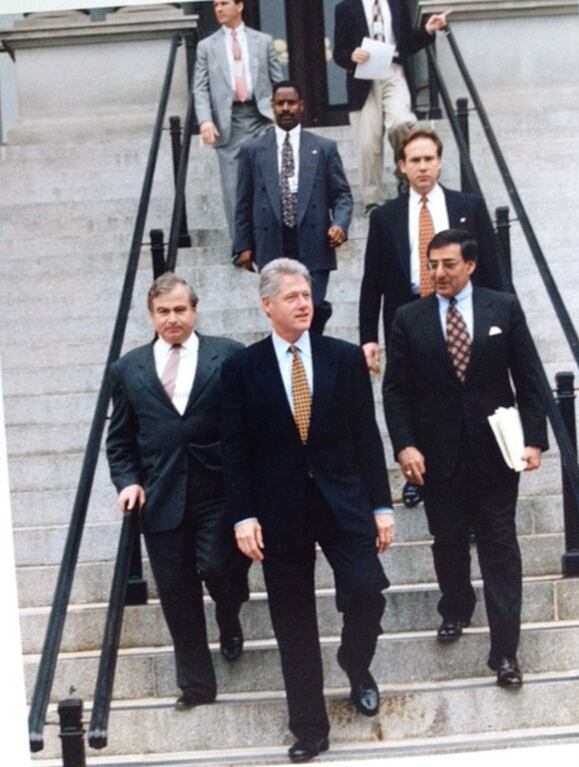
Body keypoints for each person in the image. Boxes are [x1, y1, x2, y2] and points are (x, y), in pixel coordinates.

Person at [221, 258, 394, 763]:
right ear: (267, 304)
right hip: (278, 512)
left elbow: (367, 438)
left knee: (367, 591)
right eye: (292, 297)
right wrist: (243, 515)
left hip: (344, 503)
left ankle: (355, 662)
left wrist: (382, 504)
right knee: (292, 621)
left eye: (307, 295)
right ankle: (310, 728)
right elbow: (235, 450)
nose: (304, 303)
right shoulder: (241, 368)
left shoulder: (342, 358)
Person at [382, 229, 548, 688]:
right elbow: (395, 391)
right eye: (431, 265)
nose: (438, 273)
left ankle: (505, 653)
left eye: (448, 265)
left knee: (500, 547)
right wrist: (405, 445)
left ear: (470, 265)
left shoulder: (503, 307)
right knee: (448, 540)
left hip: (495, 451)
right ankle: (455, 605)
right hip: (438, 454)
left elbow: (529, 376)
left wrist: (534, 439)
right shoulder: (408, 318)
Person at [106, 273, 250, 711]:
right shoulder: (128, 368)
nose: (173, 319)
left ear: (195, 310)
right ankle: (196, 686)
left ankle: (229, 613)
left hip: (218, 490)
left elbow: (248, 425)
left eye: (180, 310)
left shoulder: (227, 355)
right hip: (161, 496)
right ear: (151, 315)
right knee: (175, 592)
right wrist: (127, 480)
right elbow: (120, 440)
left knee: (219, 566)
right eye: (164, 312)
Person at [360, 126, 505, 508]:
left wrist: (502, 319)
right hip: (408, 316)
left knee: (464, 393)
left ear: (440, 163)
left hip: (463, 311)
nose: (423, 167)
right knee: (414, 396)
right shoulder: (386, 217)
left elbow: (491, 266)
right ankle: (418, 475)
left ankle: (475, 474)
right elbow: (371, 281)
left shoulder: (468, 207)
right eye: (414, 161)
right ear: (401, 167)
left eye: (429, 159)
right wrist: (368, 337)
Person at [234, 80, 353, 334]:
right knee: (283, 315)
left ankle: (312, 358)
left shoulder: (323, 148)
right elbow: (243, 200)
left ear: (301, 106)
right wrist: (243, 244)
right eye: (280, 103)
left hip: (314, 244)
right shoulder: (253, 150)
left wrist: (339, 224)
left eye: (291, 103)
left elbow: (342, 195)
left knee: (310, 311)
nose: (286, 108)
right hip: (272, 245)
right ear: (272, 107)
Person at [333, 0, 450, 215]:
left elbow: (406, 43)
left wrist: (427, 30)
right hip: (363, 77)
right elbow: (338, 52)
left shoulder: (397, 4)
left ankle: (404, 175)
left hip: (393, 72)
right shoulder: (346, 7)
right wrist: (351, 56)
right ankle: (373, 202)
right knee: (368, 144)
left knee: (402, 123)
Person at [193, 0, 283, 250]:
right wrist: (205, 120)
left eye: (224, 3)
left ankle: (272, 239)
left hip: (260, 117)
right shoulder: (206, 47)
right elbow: (200, 88)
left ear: (240, 6)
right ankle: (241, 246)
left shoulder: (262, 41)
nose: (218, 9)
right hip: (228, 121)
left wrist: (282, 116)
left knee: (268, 179)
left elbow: (279, 82)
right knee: (233, 188)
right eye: (215, 5)